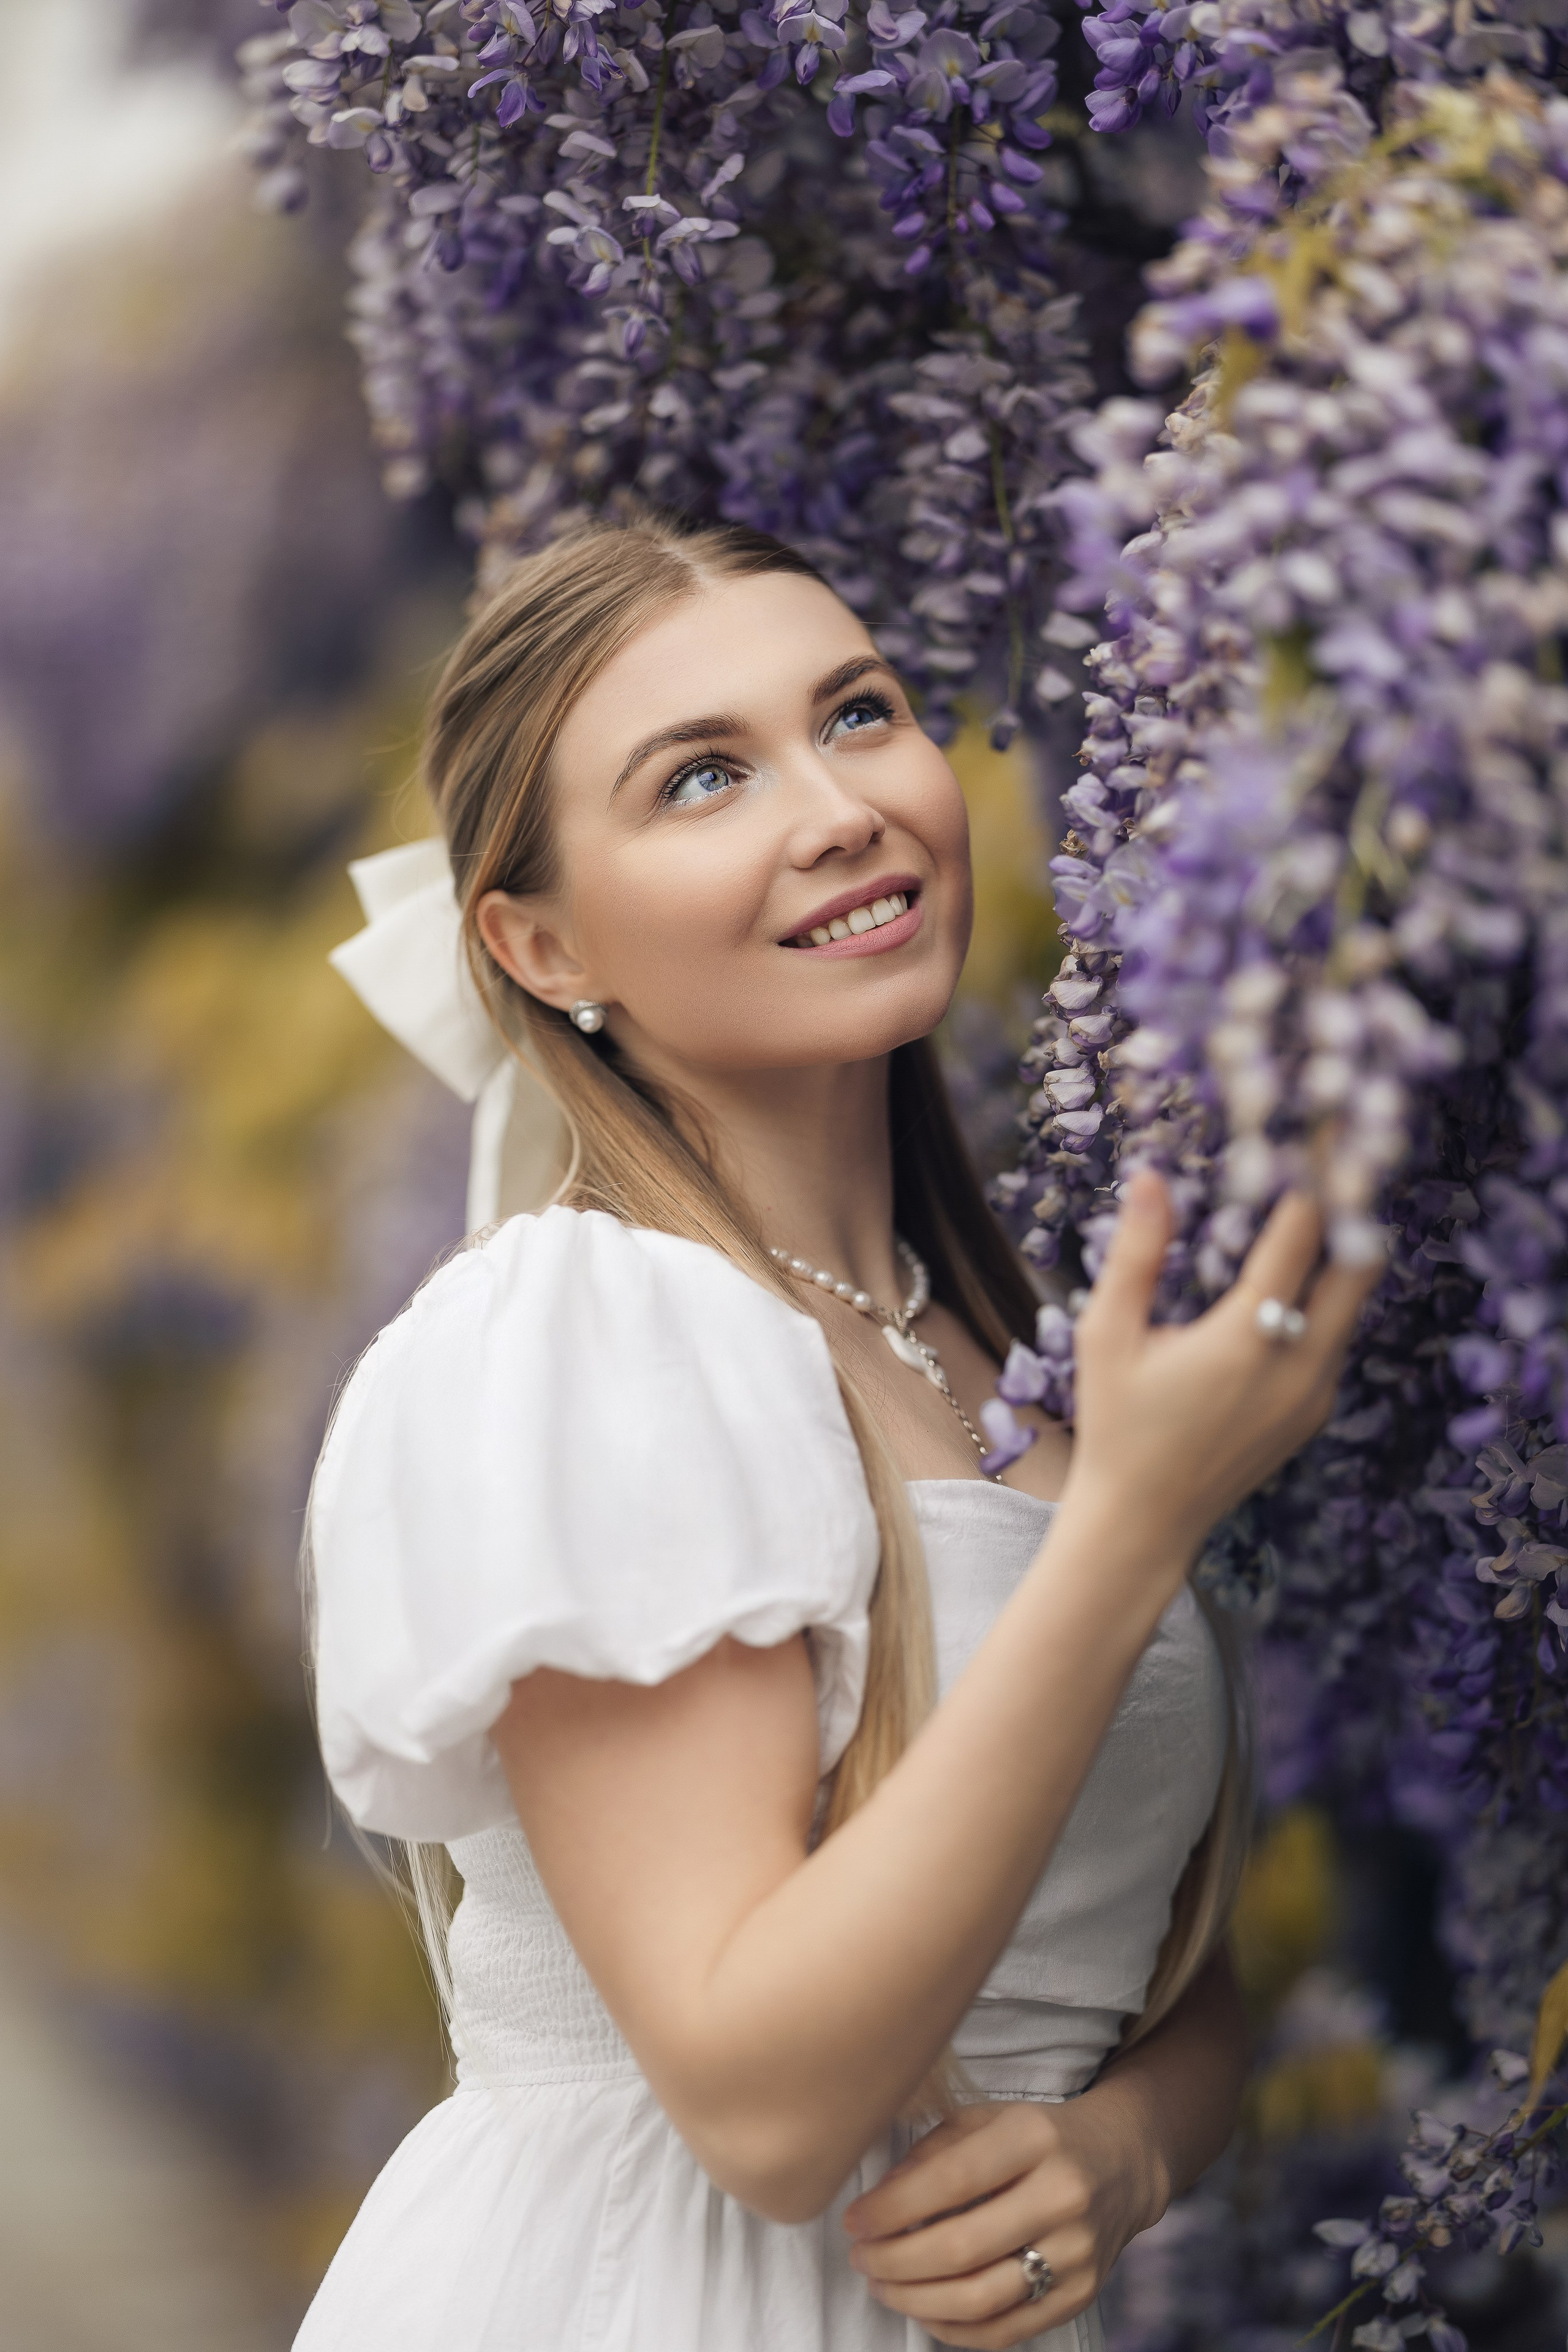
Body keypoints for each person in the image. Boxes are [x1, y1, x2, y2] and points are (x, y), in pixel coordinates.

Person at [295, 512, 1378, 2351]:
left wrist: (1125, 2151)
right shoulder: (582, 1333)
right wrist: (1131, 1528)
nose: (839, 806)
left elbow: (1142, 1955)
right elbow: (766, 2100)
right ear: (539, 940)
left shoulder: (1008, 1337)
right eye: (705, 777)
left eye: (859, 715)